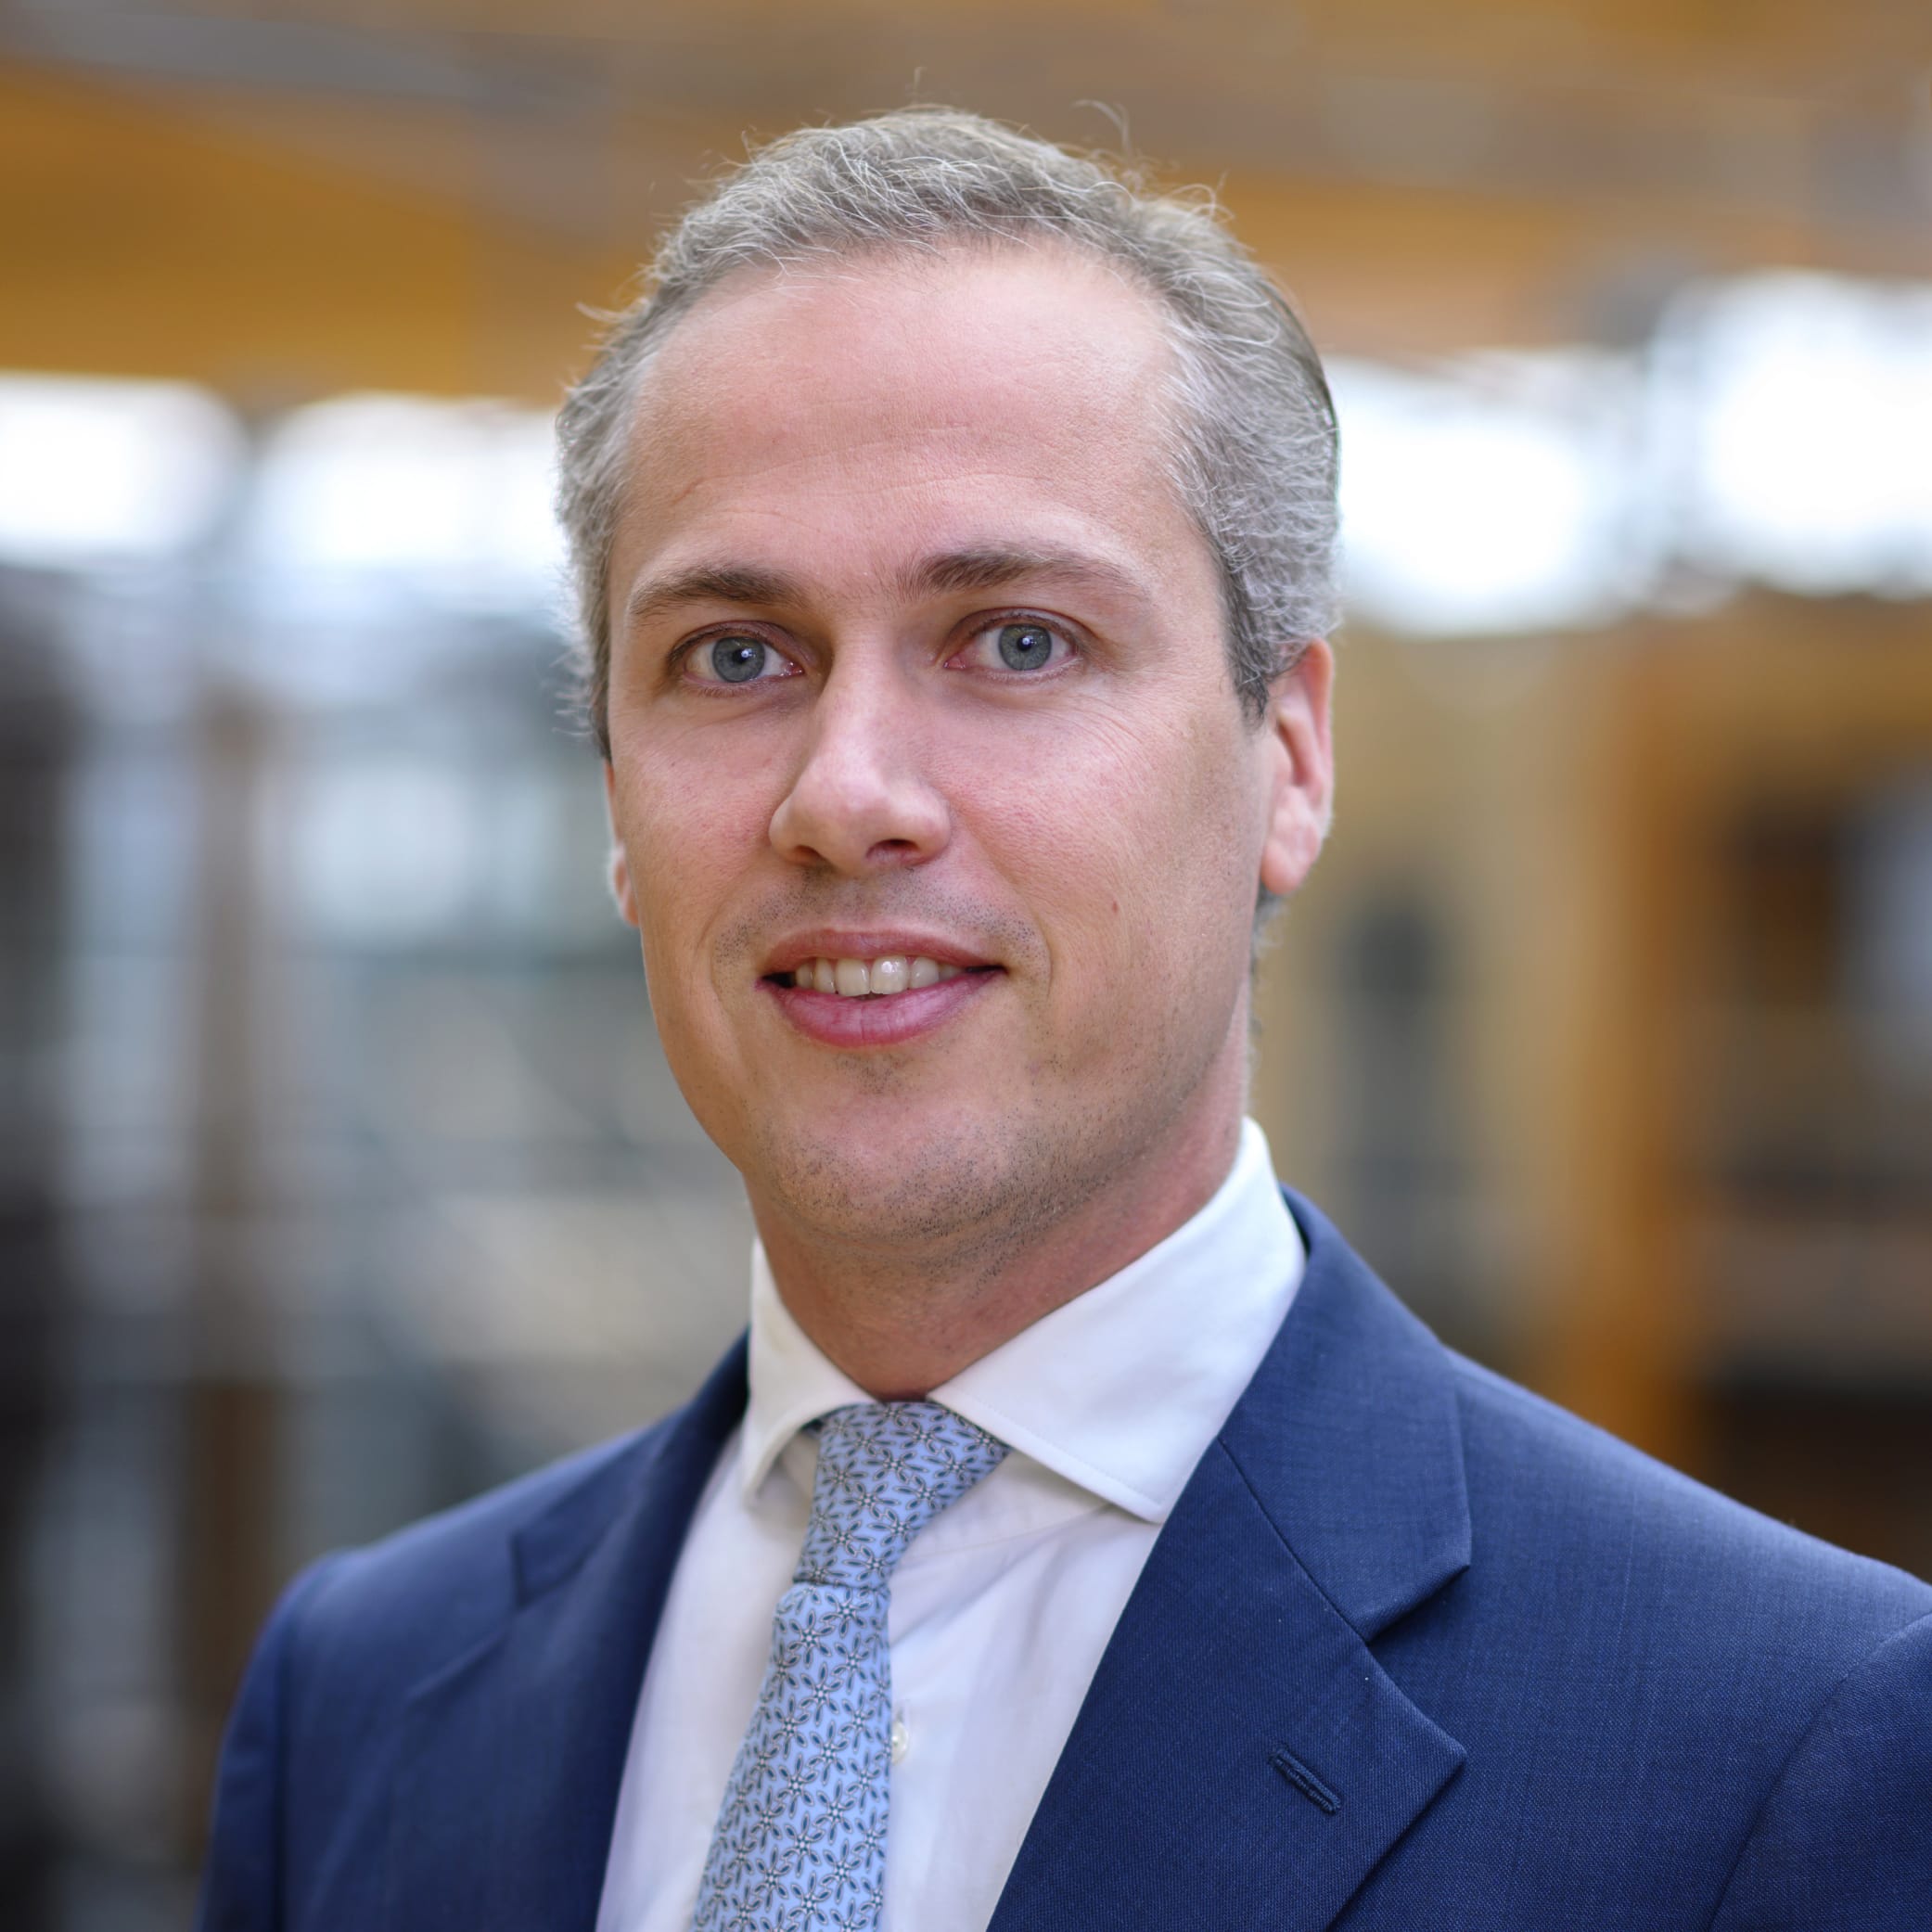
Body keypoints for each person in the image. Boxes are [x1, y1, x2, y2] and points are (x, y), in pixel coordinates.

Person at [198, 109, 1932, 1932]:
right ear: (618, 805)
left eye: (1016, 640)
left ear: (1288, 762)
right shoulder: (363, 1704)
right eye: (735, 656)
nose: (846, 793)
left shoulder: (1778, 1748)